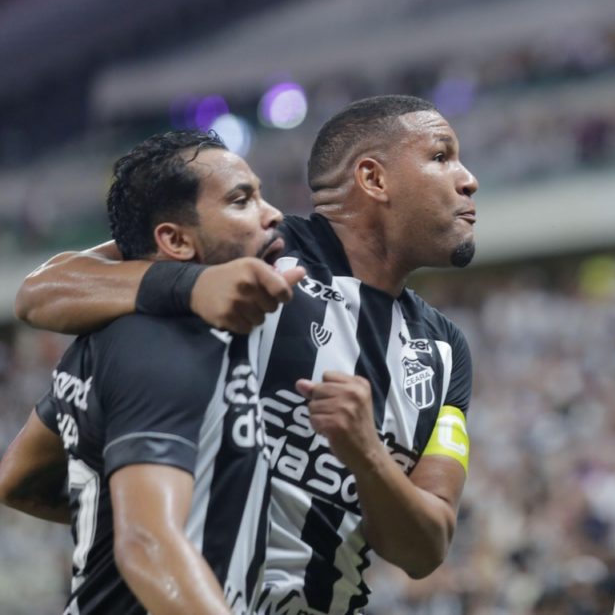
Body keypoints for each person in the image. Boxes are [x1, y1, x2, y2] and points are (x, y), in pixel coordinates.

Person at [14, 95, 480, 615]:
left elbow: (425, 548)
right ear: (374, 179)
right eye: (442, 156)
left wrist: (366, 453)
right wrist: (193, 288)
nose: (467, 179)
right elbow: (41, 290)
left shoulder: (444, 350)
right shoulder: (249, 250)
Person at [0, 130, 305, 614]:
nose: (272, 214)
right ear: (176, 240)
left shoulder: (114, 329)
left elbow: (18, 478)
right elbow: (145, 545)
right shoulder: (161, 342)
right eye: (241, 200)